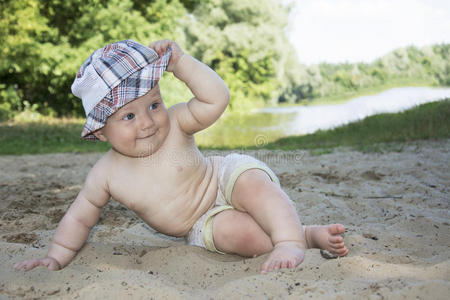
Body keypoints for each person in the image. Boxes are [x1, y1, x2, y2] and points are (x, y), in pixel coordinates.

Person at [13, 39, 348, 274]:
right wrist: (56, 257)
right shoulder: (105, 175)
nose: (147, 122)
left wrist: (183, 64)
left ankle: (288, 240)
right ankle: (306, 234)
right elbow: (79, 219)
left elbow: (216, 99)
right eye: (128, 116)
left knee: (254, 186)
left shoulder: (174, 123)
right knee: (237, 236)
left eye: (154, 105)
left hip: (222, 178)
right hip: (201, 224)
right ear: (100, 131)